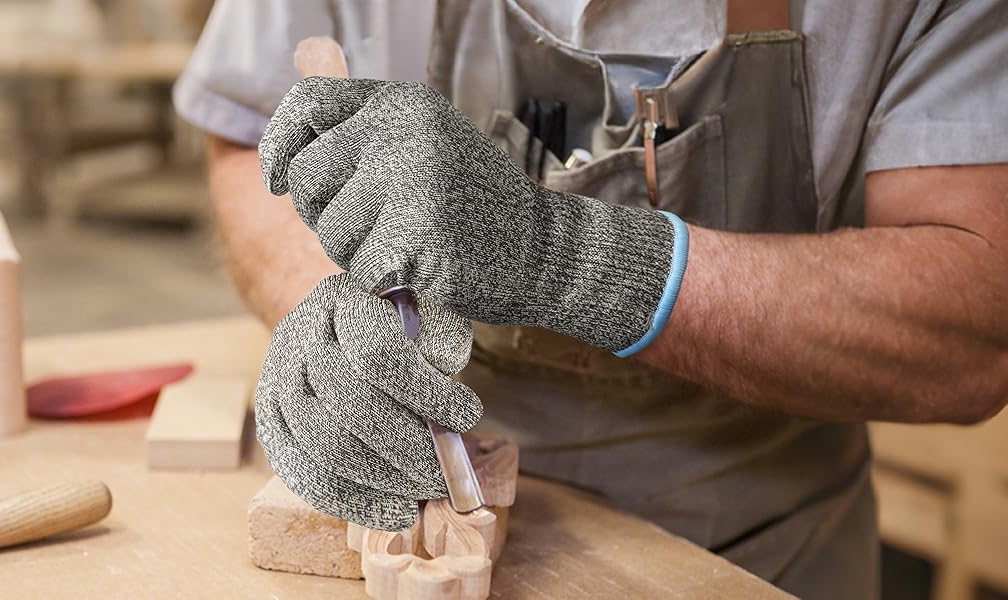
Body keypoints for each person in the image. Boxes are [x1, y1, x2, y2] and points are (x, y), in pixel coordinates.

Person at [172, 1, 1008, 597]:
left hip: (751, 548)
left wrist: (574, 257)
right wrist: (323, 298)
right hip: (431, 512)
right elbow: (254, 131)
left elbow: (974, 324)